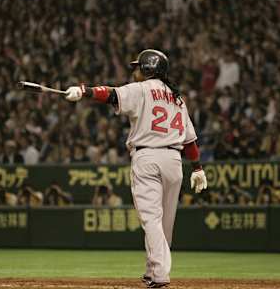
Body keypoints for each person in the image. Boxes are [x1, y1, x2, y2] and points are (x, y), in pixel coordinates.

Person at [64, 49, 207, 288]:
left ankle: (160, 275)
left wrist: (83, 91)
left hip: (147, 157)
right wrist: (198, 168)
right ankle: (153, 270)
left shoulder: (141, 89)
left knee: (151, 219)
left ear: (149, 68)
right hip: (174, 161)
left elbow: (110, 94)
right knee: (164, 224)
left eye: (138, 67)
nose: (135, 71)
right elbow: (190, 140)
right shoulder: (177, 97)